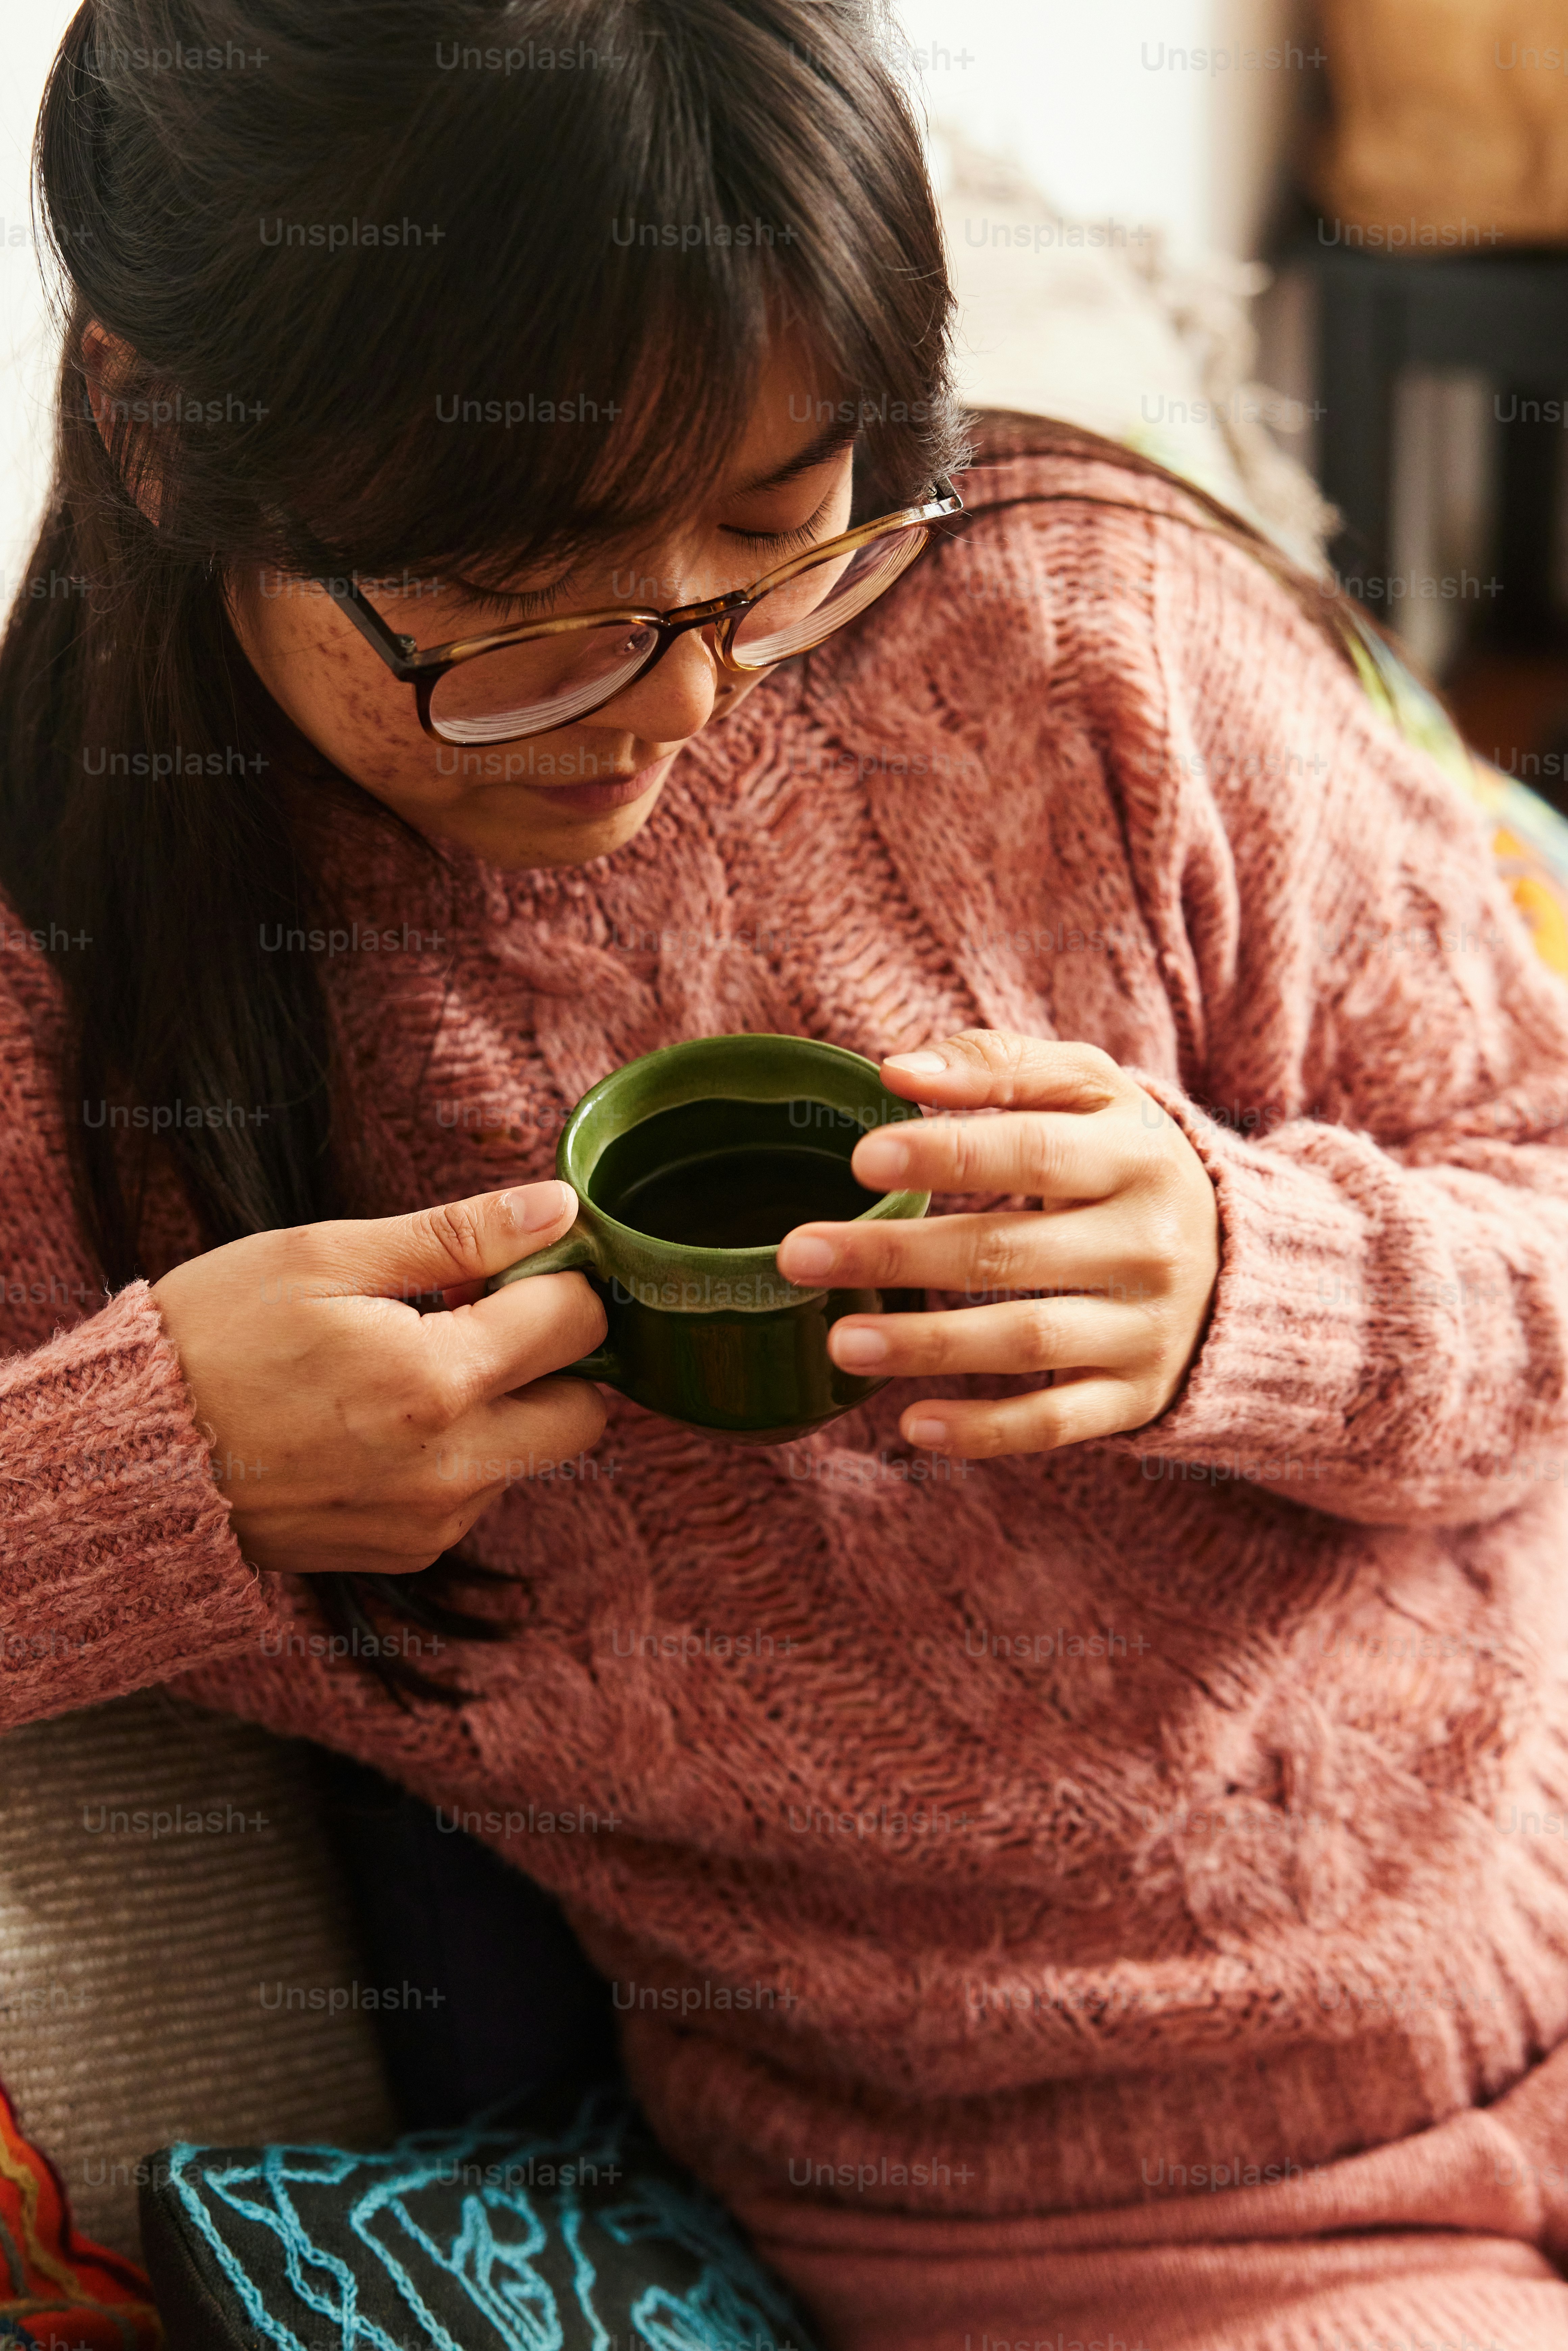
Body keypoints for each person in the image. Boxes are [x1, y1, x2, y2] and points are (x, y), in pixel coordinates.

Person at [6, 1, 1568, 2344]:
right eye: (520, 602)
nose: (681, 704)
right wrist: (142, 1472)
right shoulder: (68, 1002)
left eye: (773, 538)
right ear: (156, 423)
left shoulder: (1071, 628)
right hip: (1112, 2224)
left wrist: (1268, 1283)